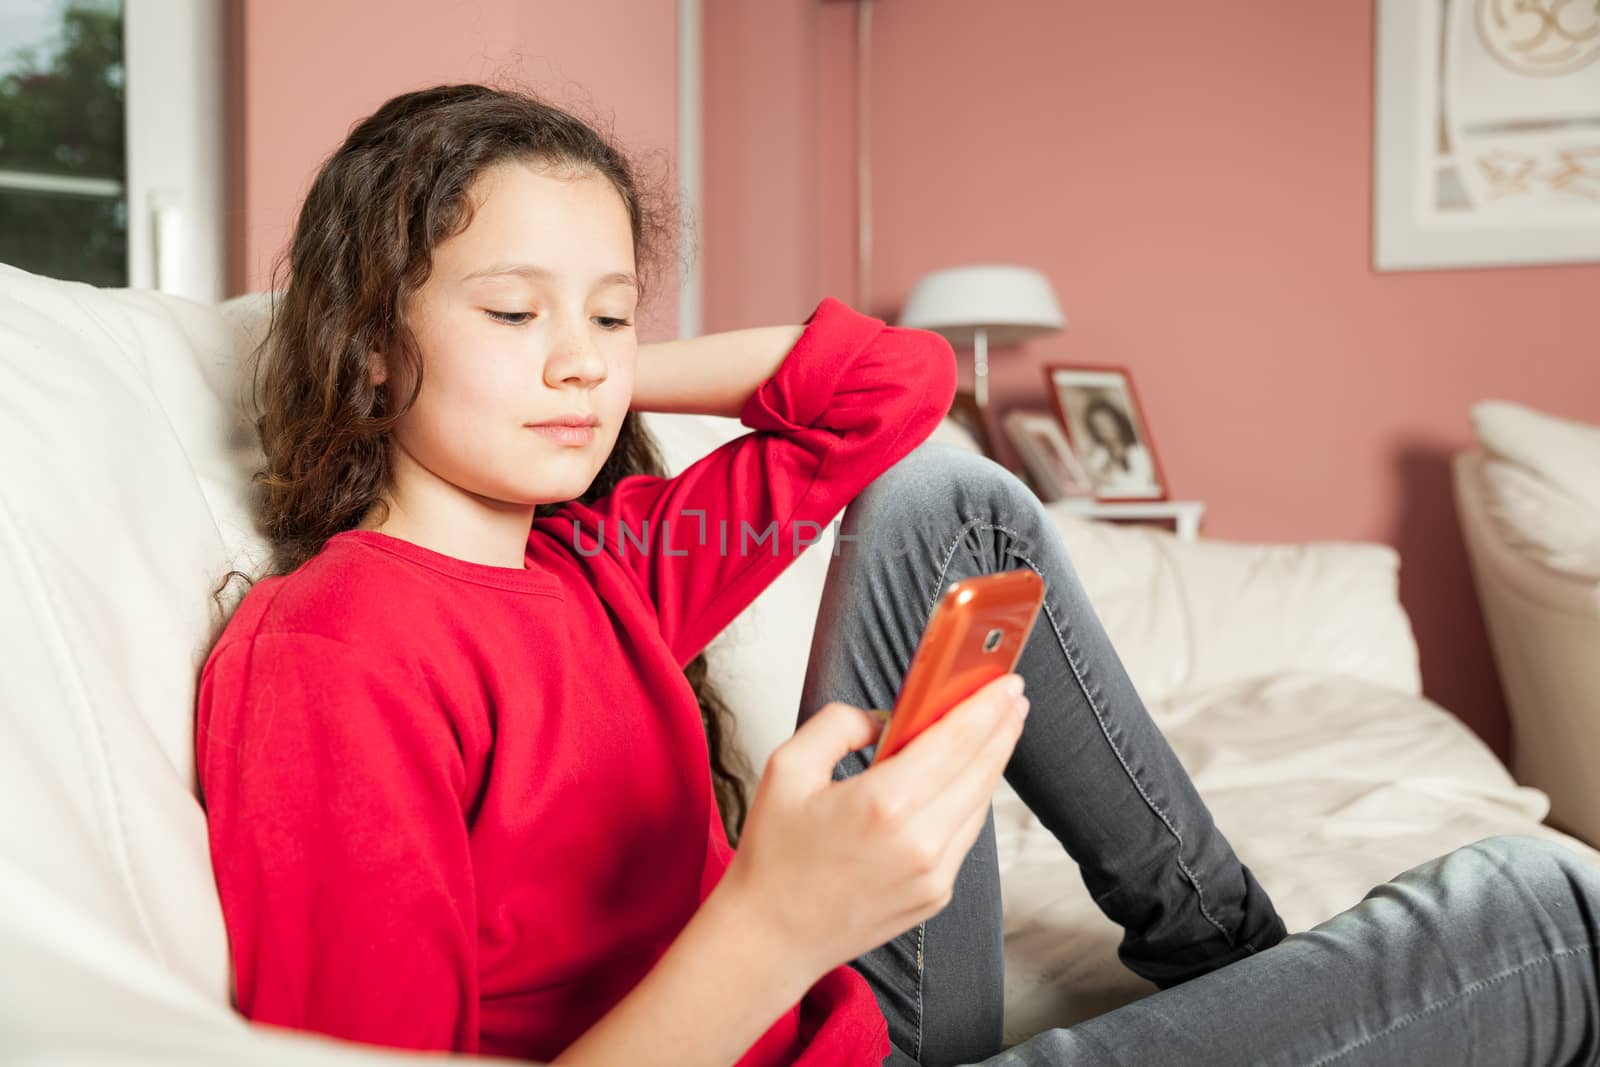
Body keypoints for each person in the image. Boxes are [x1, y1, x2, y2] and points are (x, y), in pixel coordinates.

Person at [194, 83, 1600, 1067]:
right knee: (1546, 911)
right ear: (373, 344)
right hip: (776, 987)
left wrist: (613, 376)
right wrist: (772, 922)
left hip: (850, 1014)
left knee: (949, 494)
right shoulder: (338, 653)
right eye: (514, 310)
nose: (579, 355)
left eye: (612, 310)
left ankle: (1227, 951)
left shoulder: (599, 562)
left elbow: (892, 395)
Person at [1078, 395, 1156, 496]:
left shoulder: (1137, 450)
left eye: (1107, 422)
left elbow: (1140, 487)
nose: (1105, 429)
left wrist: (1106, 479)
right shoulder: (1100, 455)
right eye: (1098, 426)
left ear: (1117, 420)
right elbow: (1087, 482)